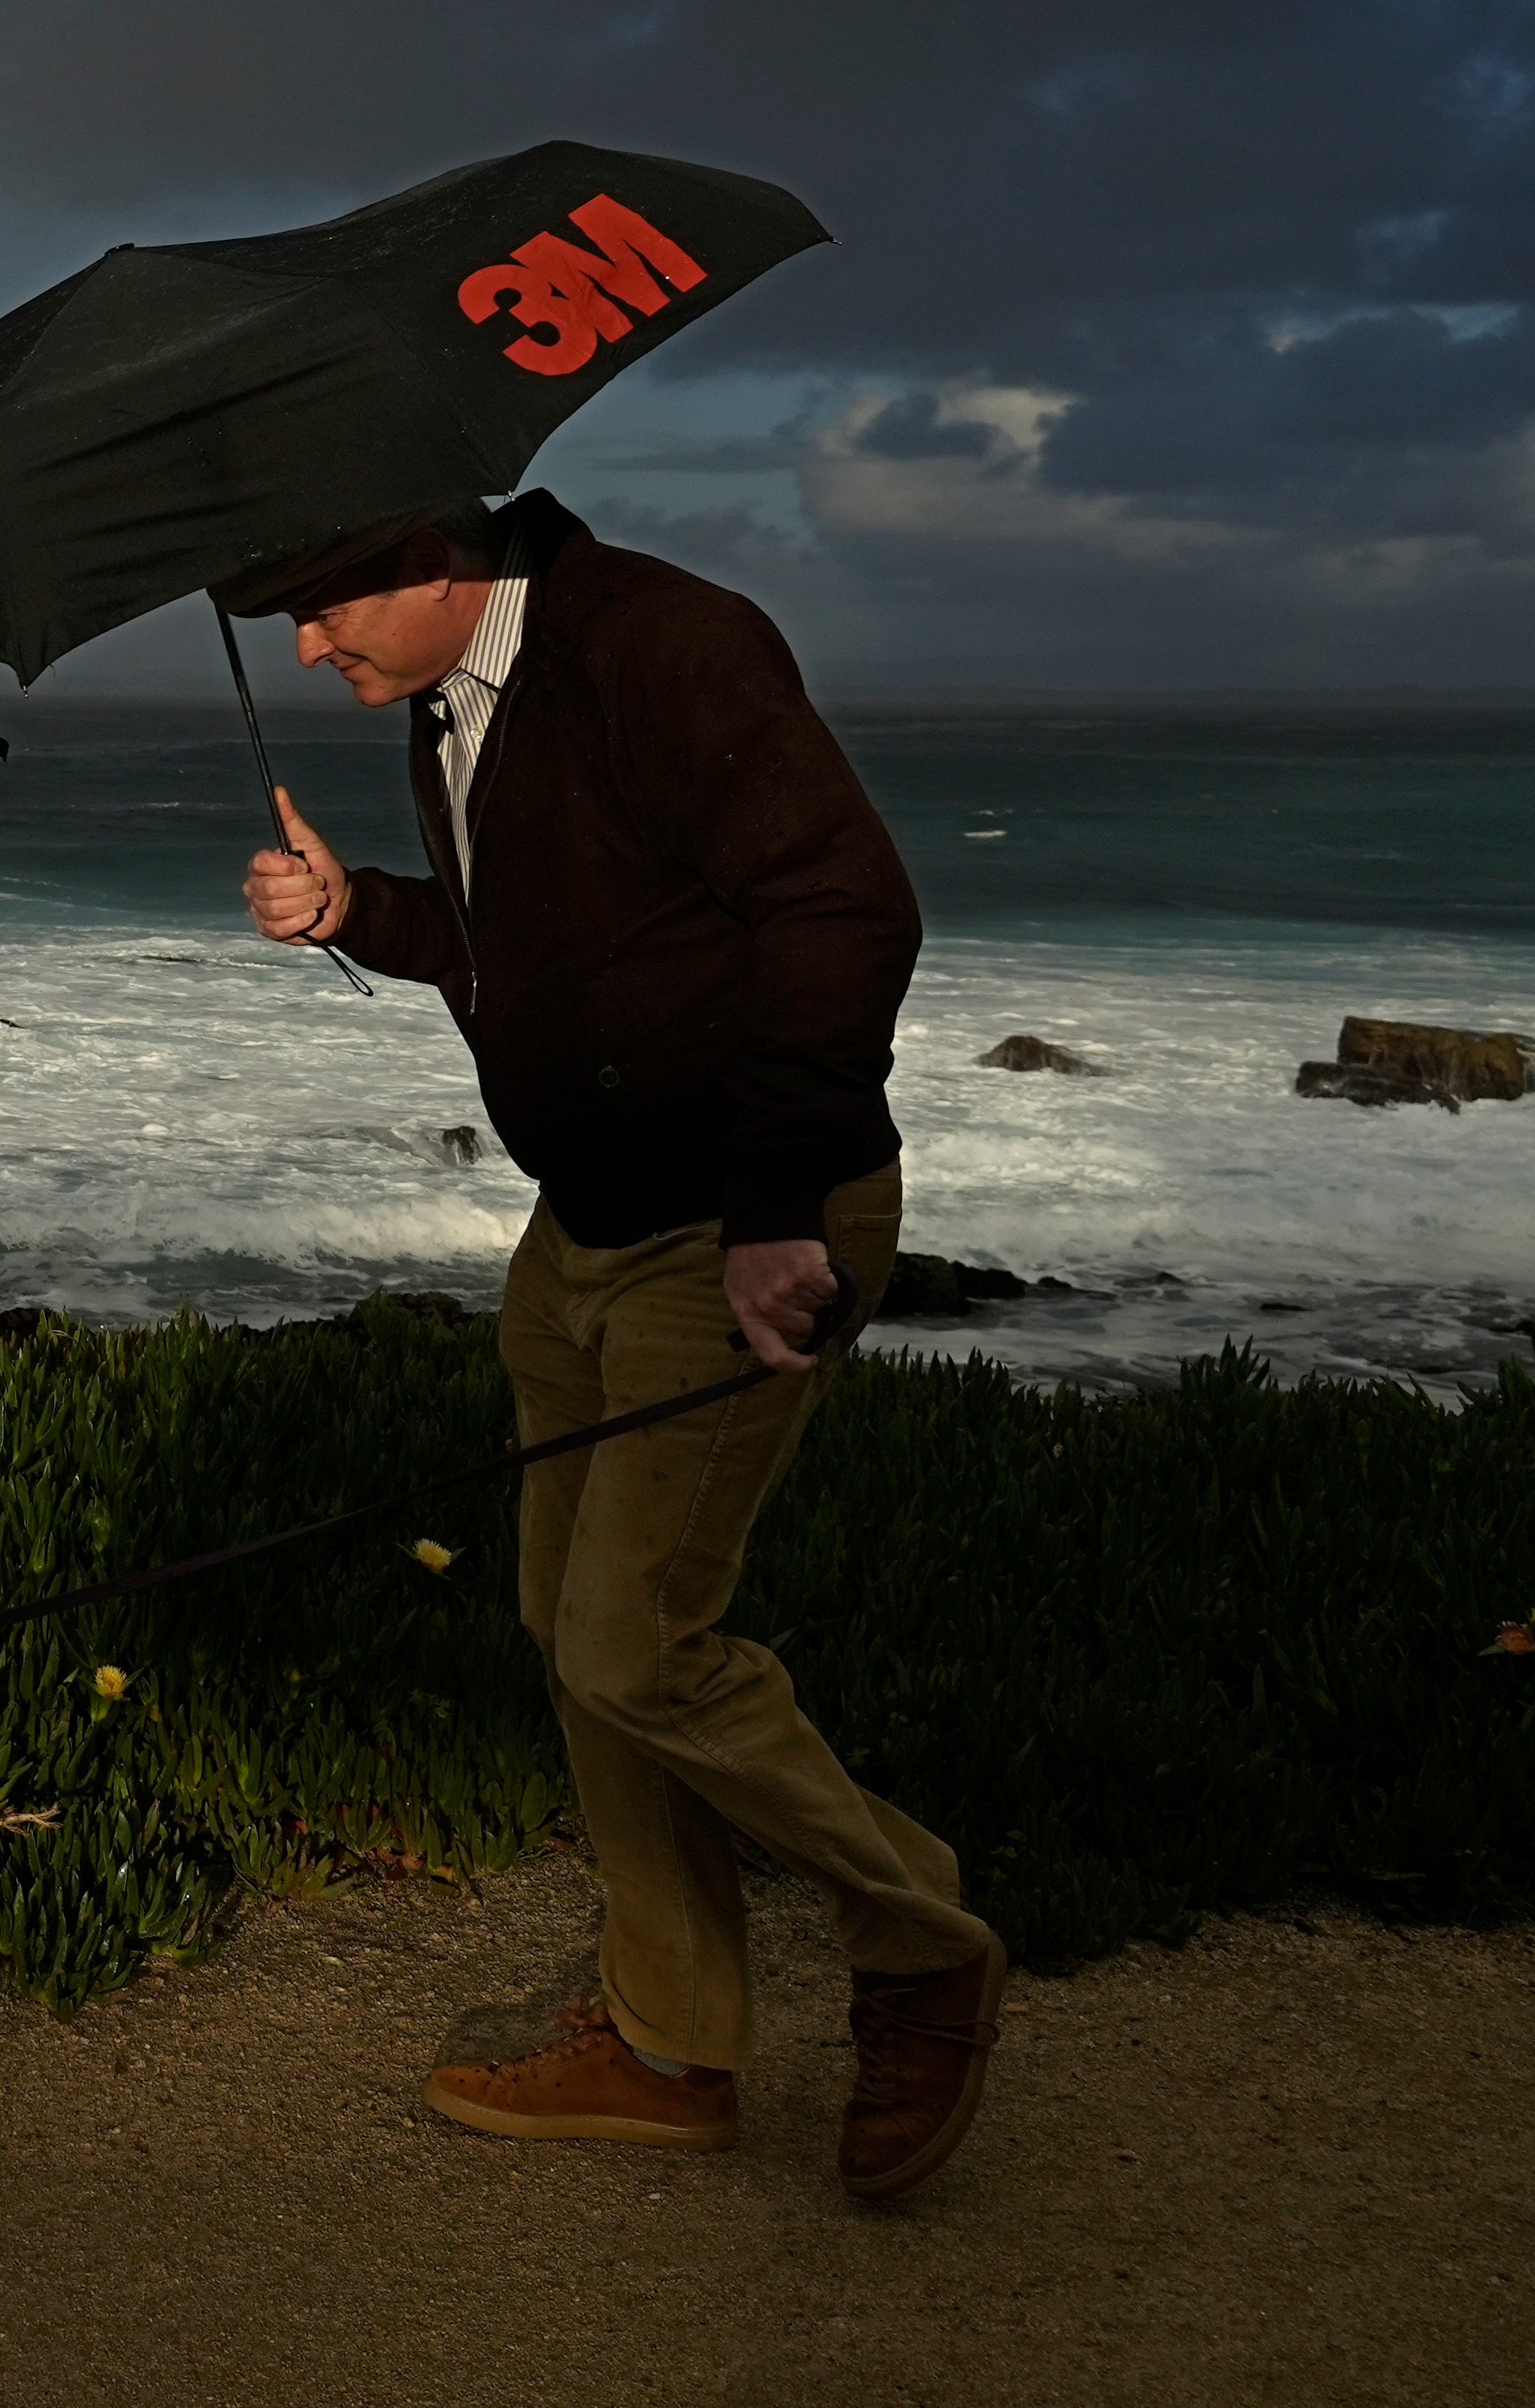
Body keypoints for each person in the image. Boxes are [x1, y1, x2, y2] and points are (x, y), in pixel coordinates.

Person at [231, 486, 1004, 2201]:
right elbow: (548, 953)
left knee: (638, 1644)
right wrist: (364, 912)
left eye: (322, 600)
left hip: (731, 1221)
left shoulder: (667, 643)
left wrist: (778, 1204)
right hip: (580, 1228)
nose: (304, 644)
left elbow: (845, 911)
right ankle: (670, 2043)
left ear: (436, 553)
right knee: (569, 1627)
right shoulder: (450, 686)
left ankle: (920, 1939)